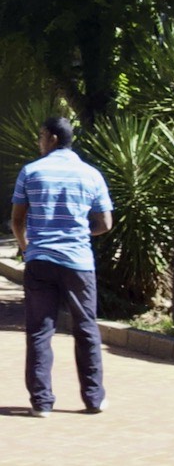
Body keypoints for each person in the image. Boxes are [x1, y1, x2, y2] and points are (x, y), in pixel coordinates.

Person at [10, 116, 114, 418]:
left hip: (40, 261)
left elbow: (17, 220)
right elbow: (105, 223)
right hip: (78, 262)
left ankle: (41, 403)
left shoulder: (31, 172)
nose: (39, 141)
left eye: (41, 135)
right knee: (86, 328)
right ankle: (93, 398)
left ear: (53, 138)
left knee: (40, 331)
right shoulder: (91, 174)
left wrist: (27, 247)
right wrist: (81, 232)